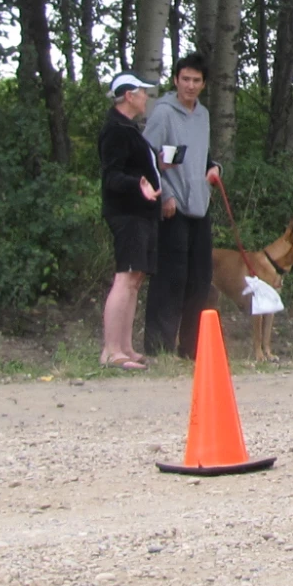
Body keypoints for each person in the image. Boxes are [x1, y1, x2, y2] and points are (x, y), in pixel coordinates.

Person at [142, 53, 219, 359]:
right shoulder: (163, 113)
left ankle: (190, 348)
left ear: (203, 84)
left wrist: (214, 170)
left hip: (199, 206)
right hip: (172, 207)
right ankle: (158, 347)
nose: (190, 85)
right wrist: (164, 196)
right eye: (185, 79)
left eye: (196, 80)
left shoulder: (203, 116)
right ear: (175, 80)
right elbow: (147, 158)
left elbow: (202, 157)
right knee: (170, 279)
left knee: (199, 279)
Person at [98, 72, 162, 370]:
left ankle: (125, 347)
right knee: (125, 277)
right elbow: (112, 176)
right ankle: (111, 350)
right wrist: (139, 183)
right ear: (129, 96)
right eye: (142, 93)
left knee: (135, 278)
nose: (146, 98)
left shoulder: (131, 129)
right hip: (127, 213)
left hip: (143, 213)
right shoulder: (116, 130)